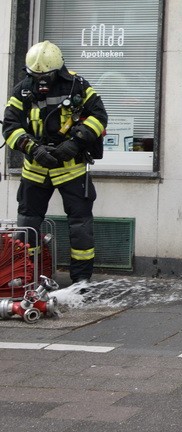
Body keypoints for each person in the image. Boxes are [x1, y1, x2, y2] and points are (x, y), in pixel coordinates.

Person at [3, 41, 108, 284]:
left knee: (80, 227)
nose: (40, 81)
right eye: (35, 75)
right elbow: (10, 127)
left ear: (57, 70)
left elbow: (99, 117)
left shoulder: (77, 86)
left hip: (71, 169)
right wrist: (33, 149)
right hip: (36, 169)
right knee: (28, 227)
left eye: (45, 75)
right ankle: (30, 276)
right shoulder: (22, 90)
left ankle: (81, 282)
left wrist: (75, 143)